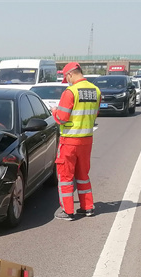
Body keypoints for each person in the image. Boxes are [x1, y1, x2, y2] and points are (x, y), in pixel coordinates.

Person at [52, 61, 101, 220]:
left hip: (70, 140)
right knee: (83, 175)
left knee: (65, 177)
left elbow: (62, 118)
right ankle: (88, 207)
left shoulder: (70, 92)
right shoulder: (96, 91)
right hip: (87, 141)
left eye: (67, 78)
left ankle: (68, 211)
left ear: (70, 74)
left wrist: (54, 112)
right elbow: (94, 114)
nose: (68, 81)